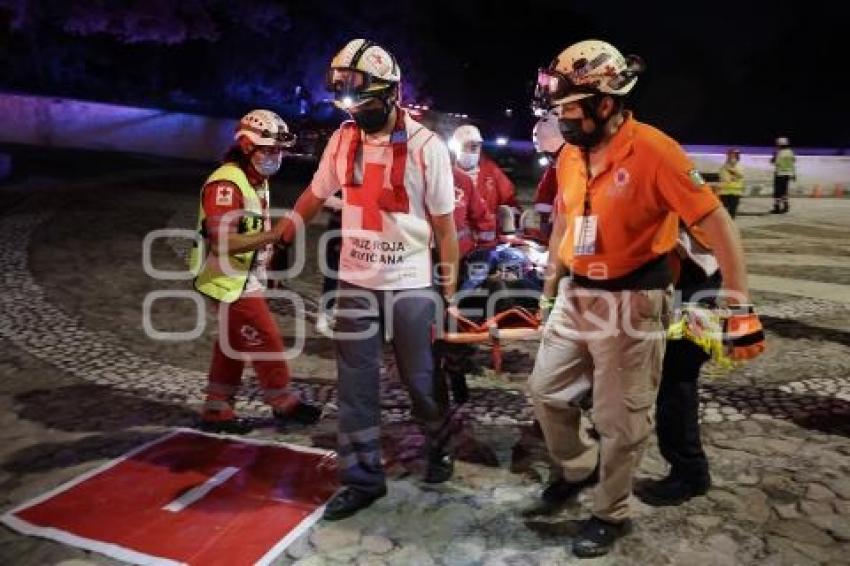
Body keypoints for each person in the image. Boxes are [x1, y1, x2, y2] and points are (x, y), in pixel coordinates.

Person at [528, 39, 765, 557]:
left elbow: (717, 223)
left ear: (606, 104)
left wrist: (739, 304)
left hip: (635, 301)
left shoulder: (656, 151)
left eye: (569, 108)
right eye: (557, 108)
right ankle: (577, 467)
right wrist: (550, 288)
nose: (561, 119)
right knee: (546, 392)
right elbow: (567, 221)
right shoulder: (571, 153)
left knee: (621, 419)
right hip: (576, 295)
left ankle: (609, 511)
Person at [278, 39, 459, 520]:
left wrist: (450, 290)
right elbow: (316, 195)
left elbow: (444, 226)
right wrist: (284, 233)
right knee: (356, 388)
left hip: (413, 284)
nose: (355, 111)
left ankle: (439, 445)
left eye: (364, 101)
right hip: (357, 281)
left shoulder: (427, 148)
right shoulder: (342, 140)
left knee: (421, 383)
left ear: (392, 93)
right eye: (346, 101)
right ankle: (361, 479)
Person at [189, 109, 322, 434]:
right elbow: (222, 241)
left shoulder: (255, 180)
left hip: (240, 276)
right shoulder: (227, 183)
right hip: (226, 280)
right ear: (247, 146)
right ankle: (283, 403)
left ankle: (216, 409)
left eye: (279, 150)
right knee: (266, 339)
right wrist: (273, 236)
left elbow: (247, 232)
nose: (277, 157)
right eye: (270, 150)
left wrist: (268, 261)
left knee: (232, 343)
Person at [635, 225, 721, 506]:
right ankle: (688, 468)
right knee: (672, 379)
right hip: (679, 279)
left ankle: (690, 471)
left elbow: (722, 231)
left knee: (677, 380)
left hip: (690, 281)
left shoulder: (677, 181)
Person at [450, 124, 520, 228]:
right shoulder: (446, 173)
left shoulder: (491, 171)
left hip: (488, 233)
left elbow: (509, 200)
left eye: (474, 147)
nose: (470, 151)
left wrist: (512, 219)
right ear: (456, 148)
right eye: (465, 146)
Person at [531, 109, 566, 240]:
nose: (550, 159)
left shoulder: (581, 163)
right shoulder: (554, 167)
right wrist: (545, 222)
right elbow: (546, 190)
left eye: (549, 154)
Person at [771, 136, 796, 214]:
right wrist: (794, 174)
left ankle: (777, 207)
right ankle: (785, 206)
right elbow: (793, 162)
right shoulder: (790, 152)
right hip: (788, 174)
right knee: (784, 191)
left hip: (780, 174)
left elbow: (775, 162)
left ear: (780, 144)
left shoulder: (779, 152)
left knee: (777, 192)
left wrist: (774, 157)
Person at [717, 148, 744, 218]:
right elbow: (723, 178)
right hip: (724, 192)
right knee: (724, 214)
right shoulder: (724, 167)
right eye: (730, 155)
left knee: (731, 213)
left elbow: (740, 175)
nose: (731, 157)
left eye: (733, 155)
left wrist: (732, 170)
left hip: (734, 192)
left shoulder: (739, 167)